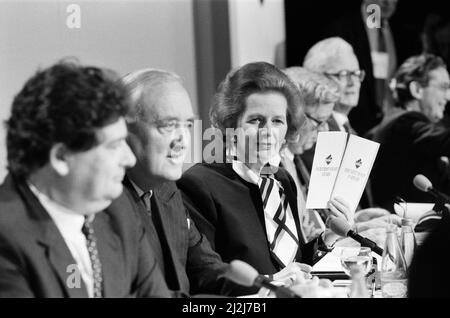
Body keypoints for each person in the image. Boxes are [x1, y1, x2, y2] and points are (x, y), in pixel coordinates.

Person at [0, 61, 171, 298]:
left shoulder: (118, 209)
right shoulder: (7, 237)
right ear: (61, 157)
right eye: (114, 146)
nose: (129, 158)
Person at [177, 62, 352, 289]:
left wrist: (328, 236)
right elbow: (206, 279)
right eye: (255, 120)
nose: (268, 132)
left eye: (277, 121)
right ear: (231, 124)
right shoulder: (199, 184)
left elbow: (294, 265)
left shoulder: (281, 179)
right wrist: (272, 284)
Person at [121, 68, 231, 296]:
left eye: (188, 125)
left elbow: (207, 269)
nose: (182, 141)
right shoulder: (106, 202)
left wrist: (272, 290)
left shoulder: (166, 188)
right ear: (124, 129)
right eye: (169, 125)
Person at [368, 54, 450, 211]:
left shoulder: (396, 122)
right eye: (443, 87)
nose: (448, 96)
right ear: (417, 89)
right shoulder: (404, 124)